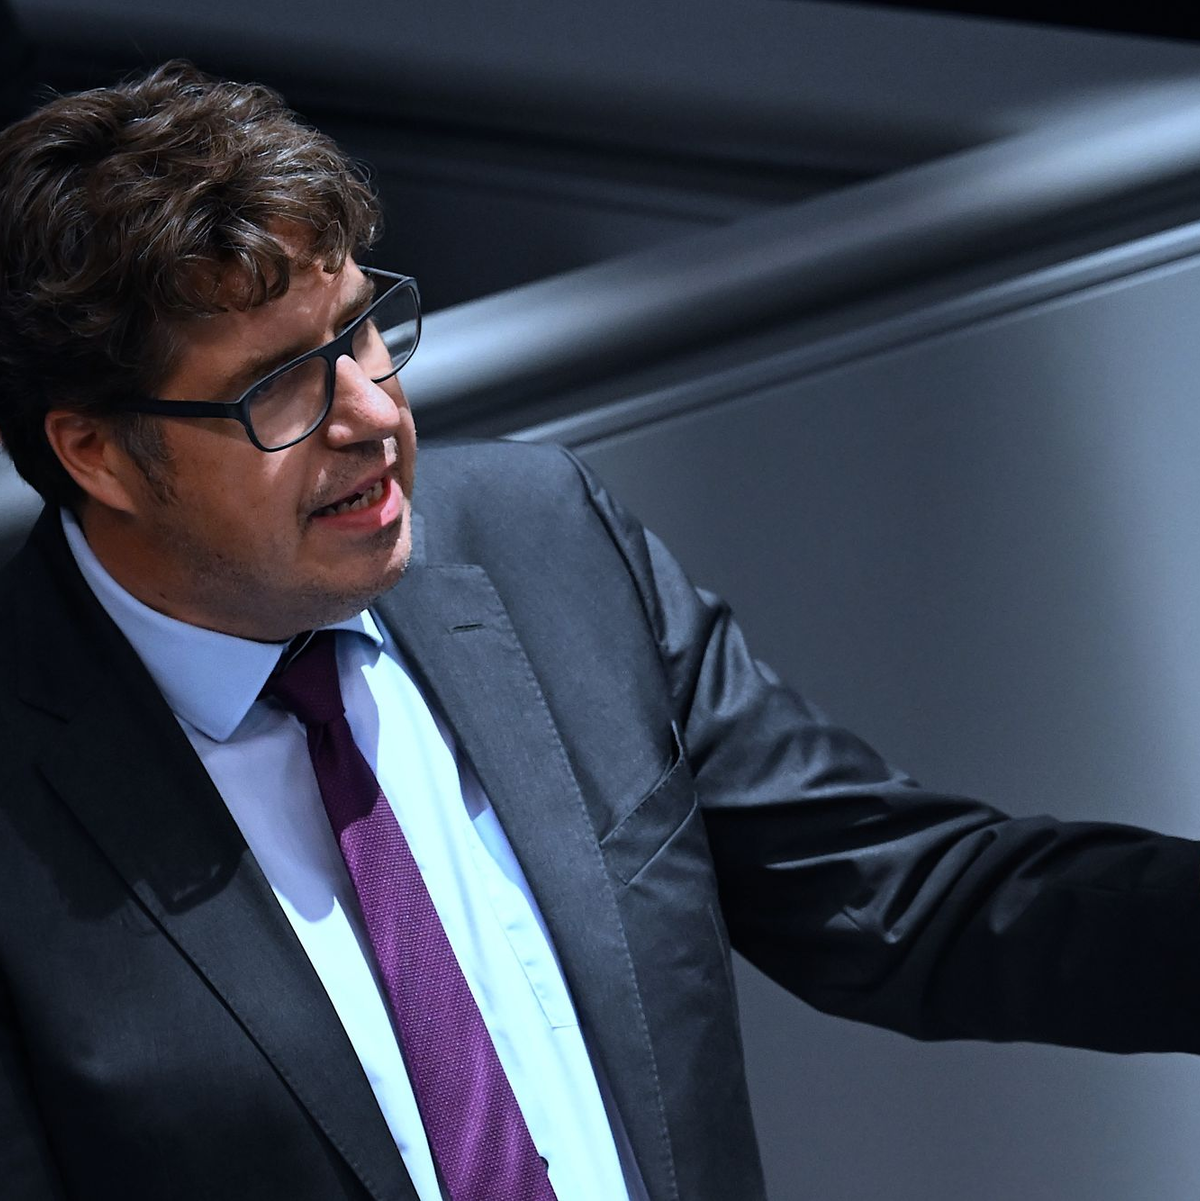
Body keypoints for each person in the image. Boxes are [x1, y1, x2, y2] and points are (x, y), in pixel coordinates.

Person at [1, 61, 1198, 1201]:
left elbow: (905, 899)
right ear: (95, 450)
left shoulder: (540, 544)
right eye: (280, 386)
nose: (372, 414)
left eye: (361, 335)